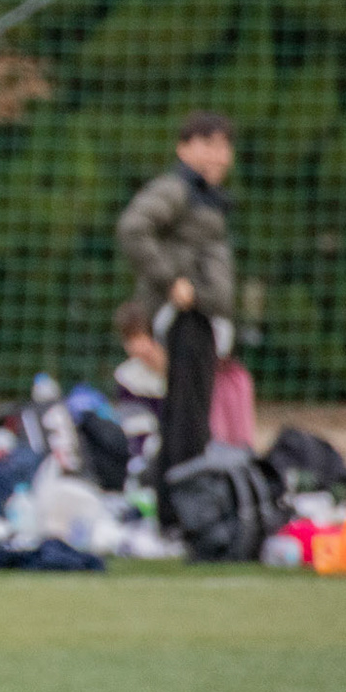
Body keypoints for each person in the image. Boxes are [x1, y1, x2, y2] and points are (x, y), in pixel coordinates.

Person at [117, 110, 237, 527]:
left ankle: (179, 515)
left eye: (224, 145)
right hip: (184, 320)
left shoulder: (206, 197)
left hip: (202, 320)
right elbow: (134, 228)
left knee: (190, 420)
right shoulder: (175, 189)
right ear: (183, 148)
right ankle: (182, 517)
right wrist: (172, 281)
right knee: (186, 423)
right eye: (208, 144)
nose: (218, 155)